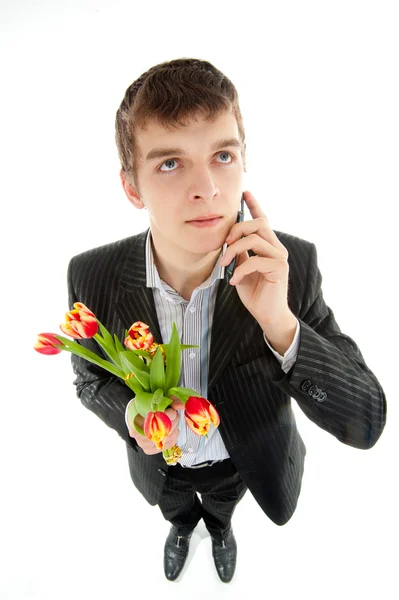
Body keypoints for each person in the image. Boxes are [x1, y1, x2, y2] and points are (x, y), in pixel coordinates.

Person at [66, 57, 387, 583]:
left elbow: (367, 424)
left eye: (221, 155)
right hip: (160, 467)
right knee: (176, 508)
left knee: (220, 507)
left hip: (239, 463)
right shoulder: (92, 274)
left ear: (243, 161)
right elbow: (88, 378)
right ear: (132, 187)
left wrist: (280, 323)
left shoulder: (293, 266)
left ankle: (218, 531)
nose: (208, 189)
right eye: (170, 163)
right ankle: (181, 527)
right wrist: (131, 417)